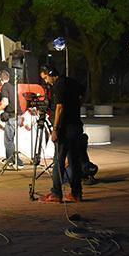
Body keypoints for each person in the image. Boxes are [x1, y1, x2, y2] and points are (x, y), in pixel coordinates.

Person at [39, 66, 86, 203]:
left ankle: (56, 193)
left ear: (51, 74)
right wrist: (76, 105)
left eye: (46, 78)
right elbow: (84, 92)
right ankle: (76, 193)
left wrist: (55, 129)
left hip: (65, 129)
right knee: (74, 161)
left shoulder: (58, 86)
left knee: (58, 161)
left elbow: (59, 108)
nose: (46, 81)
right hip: (76, 126)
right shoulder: (71, 82)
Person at [0, 69, 23, 167]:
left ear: (0, 79)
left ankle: (12, 161)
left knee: (8, 140)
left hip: (12, 117)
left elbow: (5, 103)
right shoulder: (12, 87)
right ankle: (13, 160)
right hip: (18, 116)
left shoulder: (4, 87)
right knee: (11, 140)